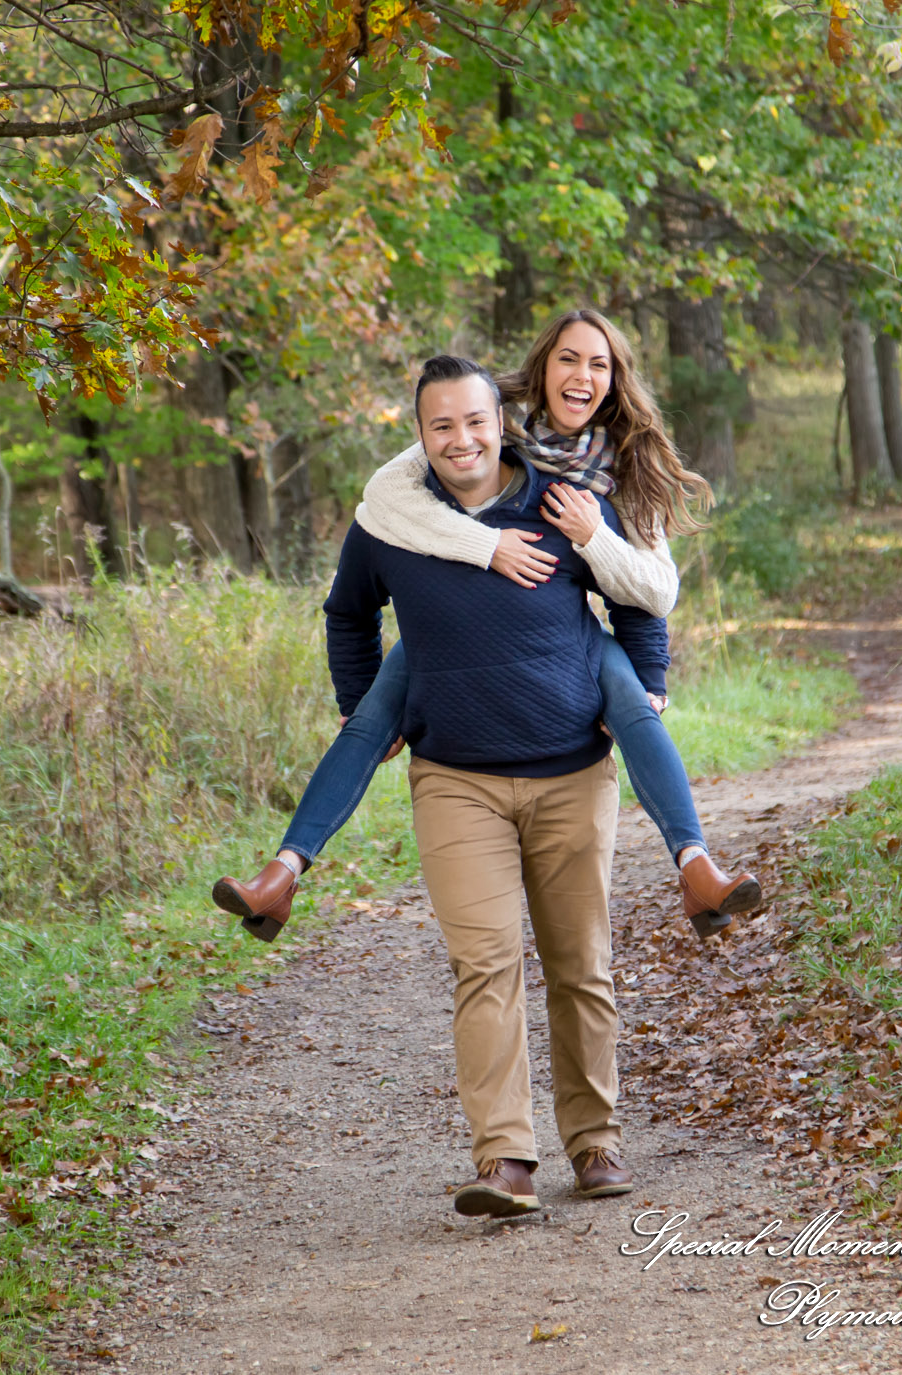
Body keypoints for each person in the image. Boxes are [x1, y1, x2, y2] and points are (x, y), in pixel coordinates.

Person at [212, 310, 761, 944]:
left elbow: (645, 594)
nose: (582, 375)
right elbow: (383, 497)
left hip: (573, 638)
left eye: (598, 364)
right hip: (445, 644)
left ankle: (697, 868)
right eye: (567, 359)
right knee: (364, 720)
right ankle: (279, 877)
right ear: (540, 370)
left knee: (636, 708)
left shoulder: (622, 468)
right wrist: (486, 545)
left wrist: (645, 663)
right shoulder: (481, 421)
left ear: (614, 380)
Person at [299, 354, 662, 1212]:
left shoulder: (559, 499)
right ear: (420, 438)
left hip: (573, 774)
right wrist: (364, 705)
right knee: (485, 965)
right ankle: (506, 1160)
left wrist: (643, 690)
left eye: (474, 421)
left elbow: (636, 599)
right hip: (456, 780)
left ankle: (596, 1141)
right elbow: (348, 612)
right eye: (441, 426)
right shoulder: (393, 521)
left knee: (581, 965)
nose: (460, 439)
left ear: (501, 422)